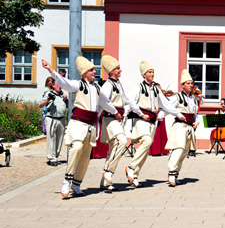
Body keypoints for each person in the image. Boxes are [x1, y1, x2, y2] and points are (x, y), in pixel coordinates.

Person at [42, 57, 120, 198]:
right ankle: (67, 180)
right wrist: (50, 69)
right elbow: (63, 82)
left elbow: (105, 102)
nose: (94, 71)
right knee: (76, 148)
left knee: (85, 156)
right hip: (78, 123)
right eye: (91, 70)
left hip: (91, 125)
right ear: (84, 73)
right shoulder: (78, 85)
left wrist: (116, 113)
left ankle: (76, 184)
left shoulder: (97, 87)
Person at [125, 61, 184, 188]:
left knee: (146, 149)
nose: (152, 74)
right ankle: (131, 167)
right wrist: (140, 114)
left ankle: (134, 175)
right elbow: (130, 101)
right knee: (146, 141)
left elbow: (166, 104)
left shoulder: (156, 89)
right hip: (141, 119)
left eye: (153, 72)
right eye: (149, 72)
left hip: (152, 120)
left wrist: (179, 115)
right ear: (144, 74)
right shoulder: (138, 87)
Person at [98, 55, 148, 192]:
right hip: (110, 119)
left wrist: (131, 112)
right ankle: (108, 171)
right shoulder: (107, 85)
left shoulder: (118, 84)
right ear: (111, 71)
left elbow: (127, 101)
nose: (121, 70)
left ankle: (105, 183)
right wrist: (115, 112)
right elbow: (103, 101)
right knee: (121, 141)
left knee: (113, 148)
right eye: (118, 68)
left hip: (117, 119)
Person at [165, 70, 199, 186]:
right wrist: (179, 115)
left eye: (191, 83)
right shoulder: (177, 97)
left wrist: (196, 122)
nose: (191, 85)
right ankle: (171, 171)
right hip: (180, 125)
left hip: (190, 126)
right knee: (178, 148)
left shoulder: (194, 98)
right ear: (182, 85)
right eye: (188, 83)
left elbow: (196, 114)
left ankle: (176, 174)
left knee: (184, 151)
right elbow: (168, 107)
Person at [38, 81, 68, 166]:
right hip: (51, 118)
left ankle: (56, 156)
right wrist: (48, 100)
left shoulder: (63, 95)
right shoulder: (49, 94)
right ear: (53, 85)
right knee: (51, 137)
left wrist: (66, 100)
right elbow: (40, 105)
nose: (60, 86)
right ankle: (51, 158)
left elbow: (68, 106)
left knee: (59, 138)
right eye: (58, 85)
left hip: (61, 118)